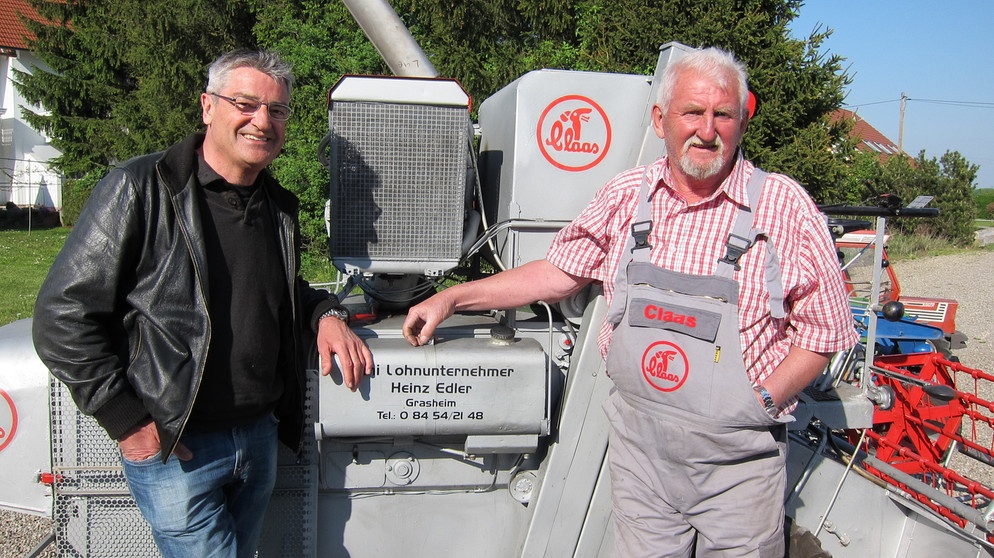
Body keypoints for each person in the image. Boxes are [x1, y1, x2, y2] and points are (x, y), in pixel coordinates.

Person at [402, 47, 857, 557]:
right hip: (641, 464)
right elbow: (558, 273)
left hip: (737, 472)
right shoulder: (626, 196)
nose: (707, 130)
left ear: (742, 121)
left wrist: (760, 403)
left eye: (723, 114)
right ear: (661, 120)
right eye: (692, 112)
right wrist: (452, 299)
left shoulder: (783, 206)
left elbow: (825, 333)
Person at [32, 49, 372, 558]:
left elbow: (276, 291)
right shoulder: (140, 188)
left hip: (258, 440)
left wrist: (325, 313)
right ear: (207, 107)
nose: (262, 121)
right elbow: (61, 317)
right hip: (176, 445)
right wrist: (127, 422)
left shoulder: (276, 206)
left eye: (277, 110)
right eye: (246, 103)